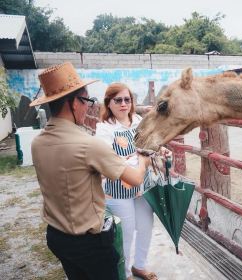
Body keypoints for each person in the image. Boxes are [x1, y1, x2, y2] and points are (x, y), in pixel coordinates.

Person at [30, 62, 151, 280]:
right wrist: (143, 158)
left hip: (57, 236)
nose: (88, 107)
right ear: (72, 103)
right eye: (86, 101)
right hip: (89, 243)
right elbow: (135, 177)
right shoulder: (87, 144)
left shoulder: (37, 143)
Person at [95, 83, 160, 280]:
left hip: (142, 187)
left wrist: (157, 151)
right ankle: (123, 273)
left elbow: (149, 145)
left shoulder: (138, 121)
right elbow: (105, 161)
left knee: (146, 226)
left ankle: (139, 265)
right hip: (117, 190)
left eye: (127, 99)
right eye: (118, 100)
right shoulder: (104, 128)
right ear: (109, 103)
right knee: (127, 233)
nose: (123, 104)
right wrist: (137, 158)